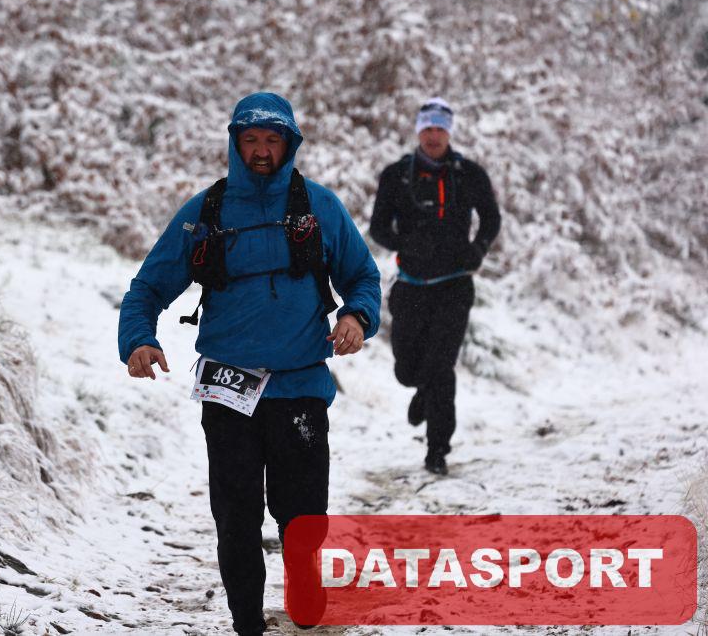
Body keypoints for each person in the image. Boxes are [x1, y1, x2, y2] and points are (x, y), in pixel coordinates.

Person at [118, 92, 381, 636]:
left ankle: (303, 582)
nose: (262, 150)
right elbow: (147, 287)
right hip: (228, 389)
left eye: (272, 140)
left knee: (303, 513)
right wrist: (139, 340)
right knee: (235, 515)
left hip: (300, 386)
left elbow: (362, 277)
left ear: (289, 144)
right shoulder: (206, 212)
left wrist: (357, 317)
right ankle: (246, 621)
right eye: (252, 140)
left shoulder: (320, 207)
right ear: (236, 144)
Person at [368, 97, 501, 476]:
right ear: (418, 131)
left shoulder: (469, 174)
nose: (433, 135)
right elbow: (379, 228)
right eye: (427, 128)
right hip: (411, 285)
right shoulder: (397, 176)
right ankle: (421, 390)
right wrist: (406, 243)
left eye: (440, 128)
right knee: (407, 371)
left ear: (449, 132)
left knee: (442, 367)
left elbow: (491, 218)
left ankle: (437, 449)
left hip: (454, 286)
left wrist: (478, 248)